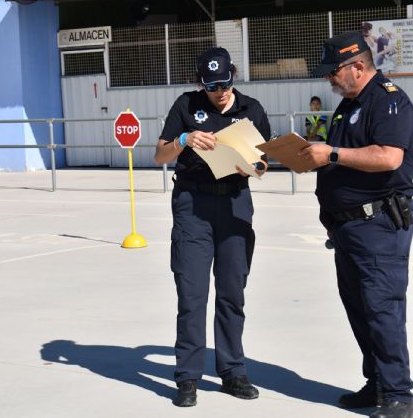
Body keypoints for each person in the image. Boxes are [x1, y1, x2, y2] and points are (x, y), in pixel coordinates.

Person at [299, 31, 413, 418]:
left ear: (358, 66)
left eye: (333, 72)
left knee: (382, 309)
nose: (328, 79)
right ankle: (378, 383)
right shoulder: (348, 105)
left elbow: (388, 157)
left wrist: (329, 153)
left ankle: (399, 394)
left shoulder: (388, 100)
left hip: (379, 225)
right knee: (359, 309)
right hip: (348, 228)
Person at [154, 47, 271, 408]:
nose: (219, 92)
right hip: (193, 204)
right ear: (199, 83)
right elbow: (160, 154)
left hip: (234, 202)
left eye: (225, 84)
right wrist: (185, 140)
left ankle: (232, 371)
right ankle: (187, 377)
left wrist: (252, 166)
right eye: (211, 86)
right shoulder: (186, 105)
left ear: (234, 78)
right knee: (191, 293)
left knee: (232, 291)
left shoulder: (250, 109)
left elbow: (264, 161)